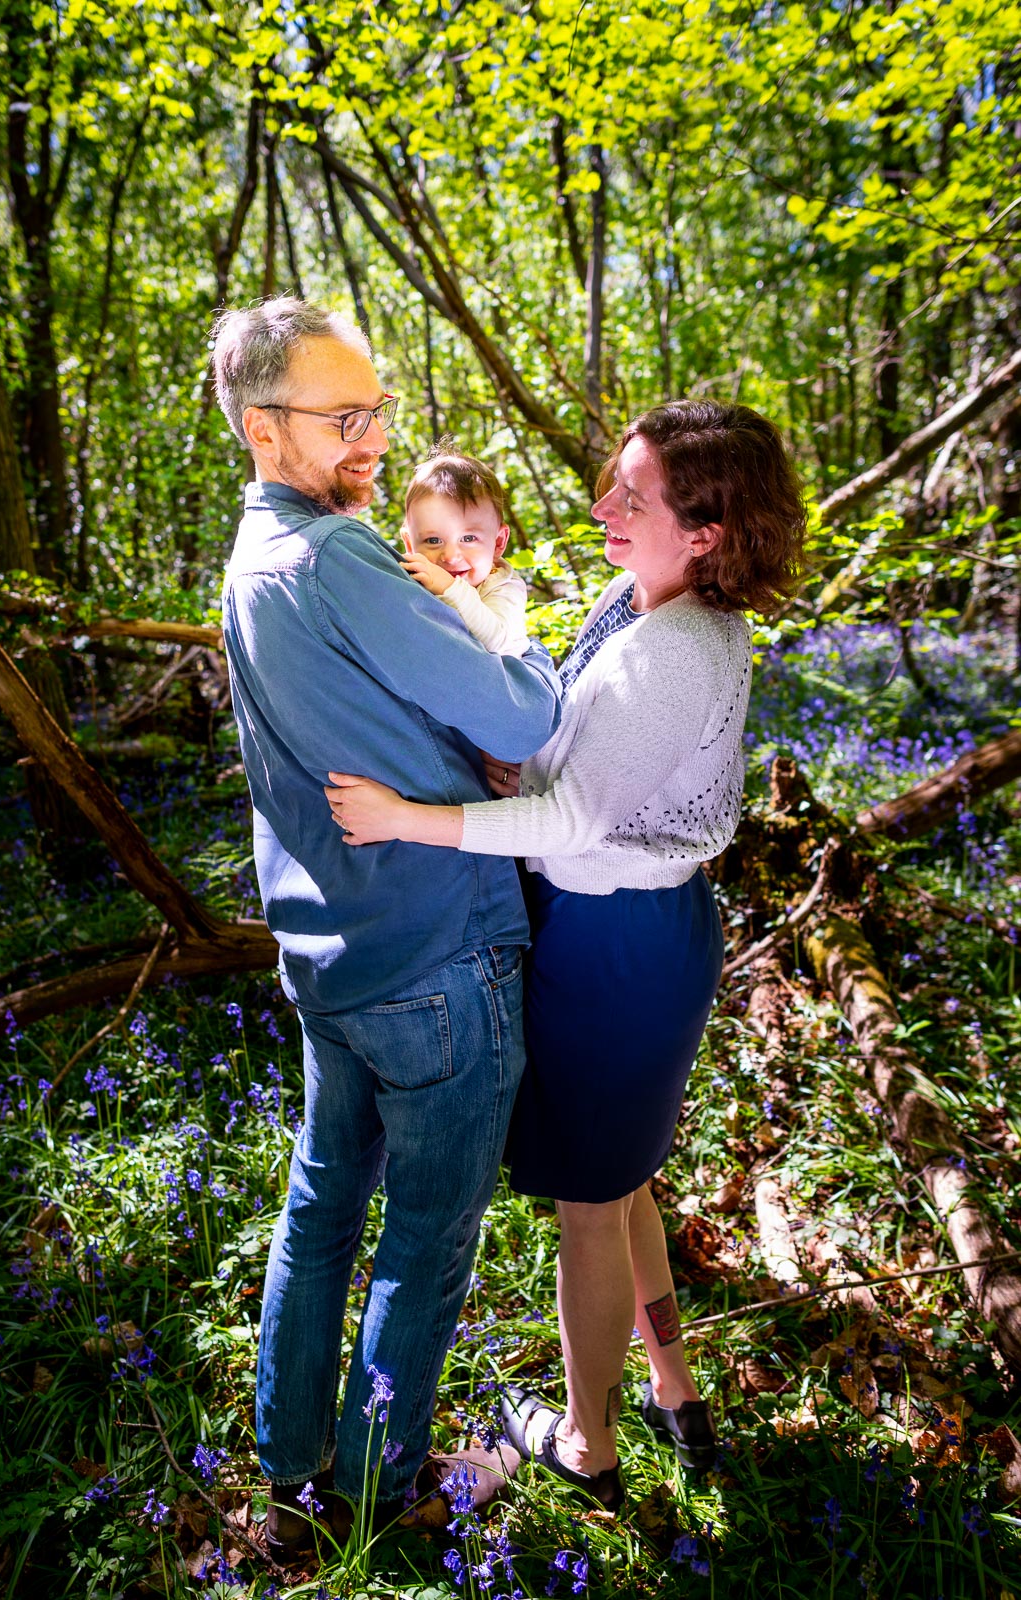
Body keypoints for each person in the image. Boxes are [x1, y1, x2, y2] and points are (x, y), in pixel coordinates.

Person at [325, 399, 807, 1511]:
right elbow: (570, 755)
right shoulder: (639, 601)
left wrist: (410, 816)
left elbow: (572, 823)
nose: (601, 506)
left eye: (632, 499)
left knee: (592, 1202)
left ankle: (588, 1449)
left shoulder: (681, 649)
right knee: (623, 1175)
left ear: (709, 532)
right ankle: (673, 1387)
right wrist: (529, 767)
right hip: (610, 927)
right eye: (612, 482)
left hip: (618, 948)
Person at [212, 297, 562, 1560]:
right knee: (422, 1236)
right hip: (433, 957)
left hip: (328, 955)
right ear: (264, 429)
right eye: (342, 418)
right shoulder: (337, 559)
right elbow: (519, 717)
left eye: (377, 411)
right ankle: (376, 1493)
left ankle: (288, 1457)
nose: (372, 439)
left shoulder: (254, 560)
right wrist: (531, 670)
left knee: (321, 1205)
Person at [400, 450, 529, 656]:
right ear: (409, 544)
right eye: (433, 540)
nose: (450, 556)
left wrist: (450, 588)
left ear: (498, 542)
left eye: (468, 539)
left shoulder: (504, 586)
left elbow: (497, 641)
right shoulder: (415, 578)